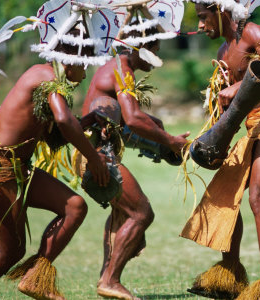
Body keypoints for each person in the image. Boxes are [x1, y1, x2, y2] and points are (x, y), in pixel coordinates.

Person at [0, 27, 111, 300]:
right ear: (72, 58)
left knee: (74, 207)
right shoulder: (45, 76)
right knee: (10, 252)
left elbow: (54, 136)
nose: (84, 73)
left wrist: (87, 122)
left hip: (18, 170)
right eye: (84, 64)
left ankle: (36, 278)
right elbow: (63, 120)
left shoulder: (49, 81)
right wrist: (94, 159)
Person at [180, 1, 260, 299]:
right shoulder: (223, 52)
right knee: (225, 194)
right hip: (251, 124)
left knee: (259, 198)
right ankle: (229, 276)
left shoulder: (252, 32)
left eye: (204, 17)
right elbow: (231, 107)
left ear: (221, 11)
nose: (200, 25)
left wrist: (236, 87)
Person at [83, 22, 189, 300]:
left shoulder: (118, 65)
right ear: (141, 48)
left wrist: (163, 136)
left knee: (122, 214)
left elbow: (133, 120)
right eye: (155, 47)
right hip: (96, 156)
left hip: (96, 152)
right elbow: (133, 119)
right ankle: (110, 280)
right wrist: (170, 142)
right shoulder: (122, 69)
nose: (157, 53)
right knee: (141, 213)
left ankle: (107, 279)